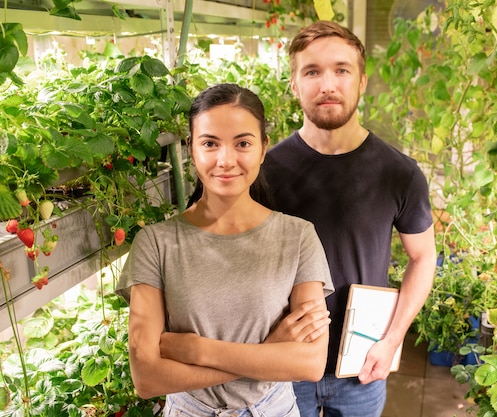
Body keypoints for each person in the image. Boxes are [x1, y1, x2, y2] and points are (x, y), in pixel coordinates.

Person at [116, 83, 335, 417]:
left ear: (263, 149)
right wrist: (270, 351)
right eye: (210, 143)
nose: (225, 160)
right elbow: (146, 378)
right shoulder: (156, 244)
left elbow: (310, 363)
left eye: (242, 143)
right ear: (192, 149)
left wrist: (197, 349)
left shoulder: (298, 237)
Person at [260, 21, 437, 417]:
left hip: (361, 364)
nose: (328, 84)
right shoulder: (263, 172)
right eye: (312, 71)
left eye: (342, 70)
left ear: (362, 81)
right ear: (294, 84)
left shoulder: (398, 173)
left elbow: (423, 257)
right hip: (283, 364)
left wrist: (393, 339)